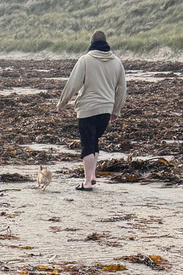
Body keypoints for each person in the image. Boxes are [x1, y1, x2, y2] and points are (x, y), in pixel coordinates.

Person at [56, 30, 127, 191]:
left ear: (91, 43)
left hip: (87, 109)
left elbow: (73, 84)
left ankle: (87, 182)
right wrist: (116, 110)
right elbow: (122, 89)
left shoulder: (85, 60)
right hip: (106, 110)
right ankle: (92, 175)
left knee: (87, 143)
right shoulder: (116, 62)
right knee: (94, 141)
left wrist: (62, 103)